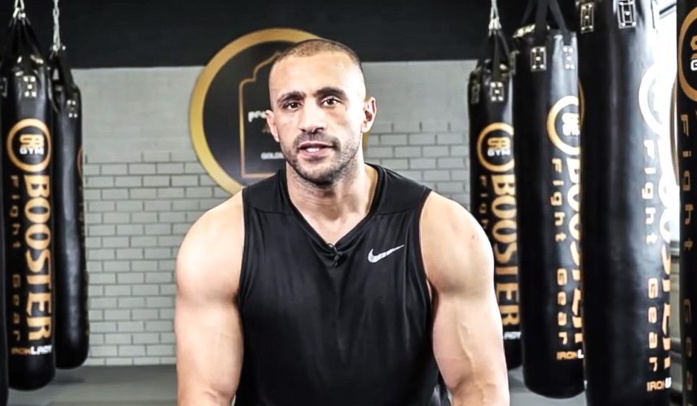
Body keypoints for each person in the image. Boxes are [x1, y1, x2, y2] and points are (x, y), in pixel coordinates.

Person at [174, 38, 509, 406]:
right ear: (273, 124)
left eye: (330, 100)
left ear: (367, 114)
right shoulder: (219, 240)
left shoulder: (443, 230)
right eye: (291, 104)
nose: (310, 122)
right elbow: (206, 394)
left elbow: (477, 386)